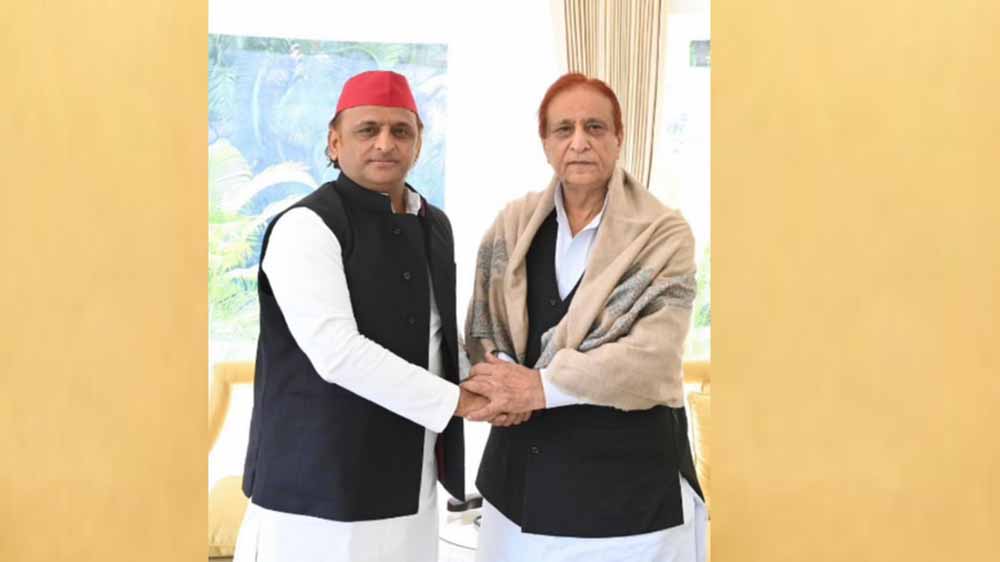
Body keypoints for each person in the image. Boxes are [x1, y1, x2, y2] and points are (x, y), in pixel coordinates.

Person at [234, 70, 486, 562]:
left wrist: (490, 380)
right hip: (315, 490)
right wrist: (461, 400)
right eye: (368, 129)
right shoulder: (306, 226)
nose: (385, 144)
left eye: (400, 131)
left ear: (419, 142)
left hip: (410, 484)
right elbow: (338, 354)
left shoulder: (435, 225)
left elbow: (437, 335)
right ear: (335, 142)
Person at [461, 72, 707, 561]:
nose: (579, 142)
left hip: (629, 500)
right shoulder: (511, 225)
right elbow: (482, 328)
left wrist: (538, 388)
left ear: (618, 138)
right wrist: (503, 382)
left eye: (595, 127)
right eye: (563, 129)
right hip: (516, 493)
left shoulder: (663, 234)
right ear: (545, 144)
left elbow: (652, 359)